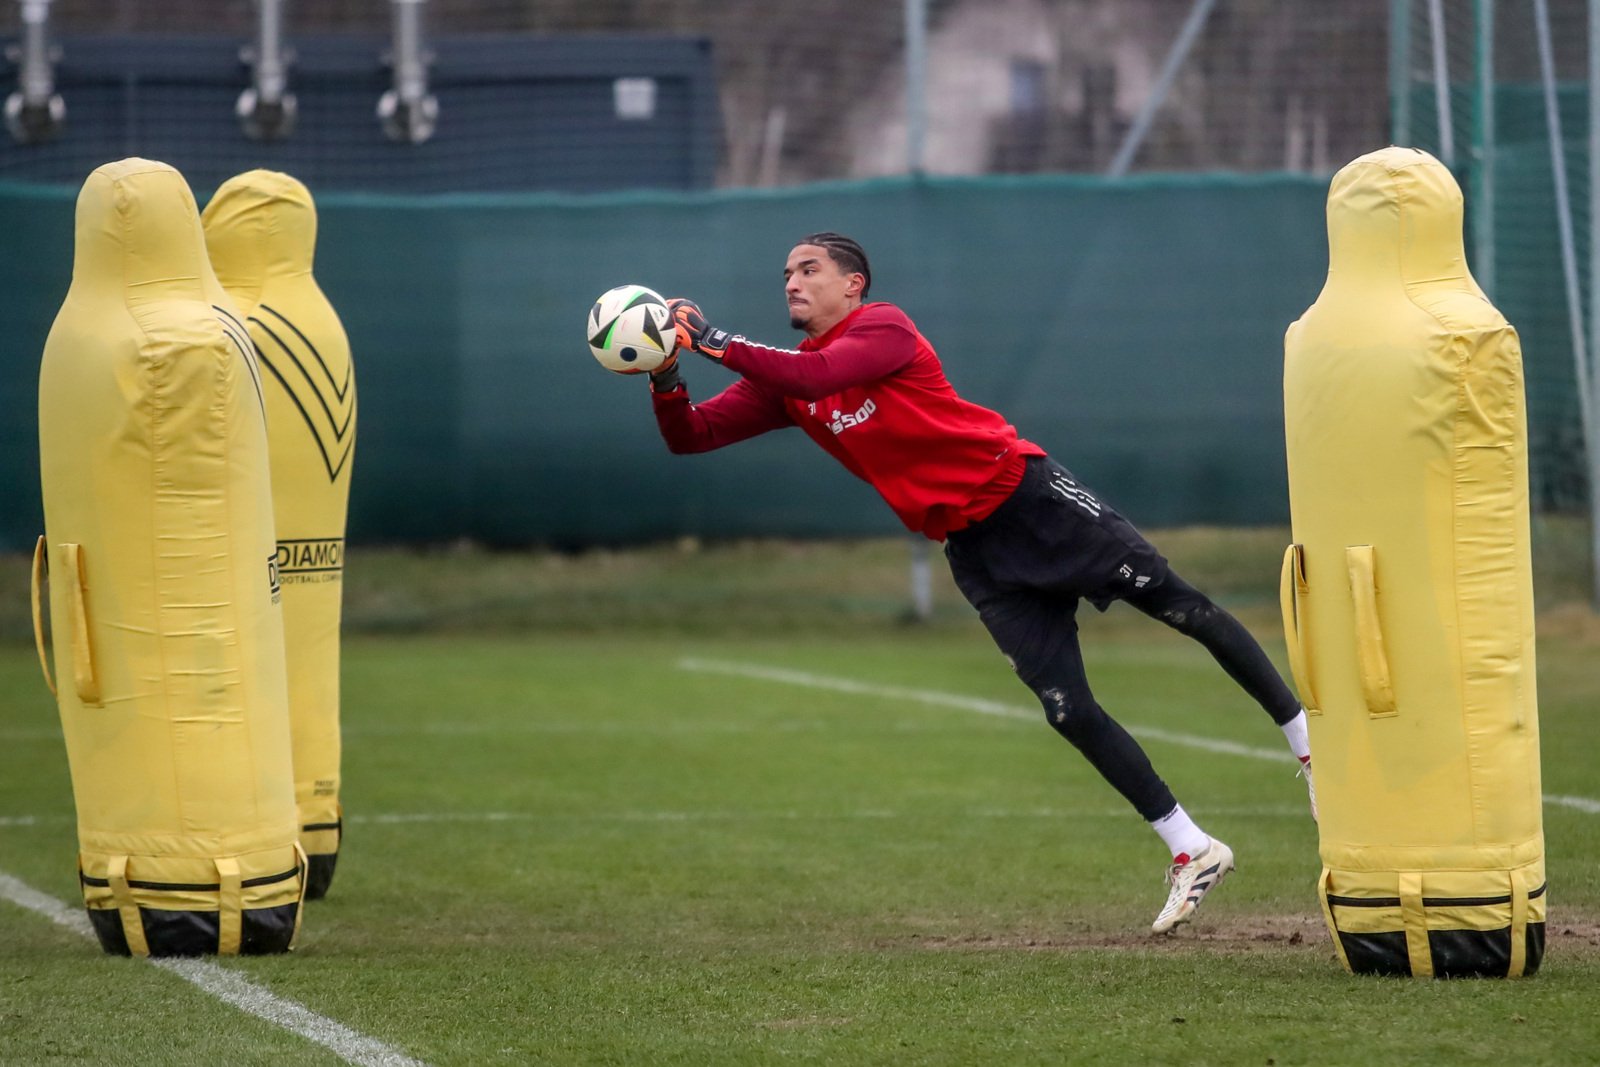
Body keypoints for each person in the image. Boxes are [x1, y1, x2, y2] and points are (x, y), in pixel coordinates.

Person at [642, 232, 1313, 934]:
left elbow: (815, 377)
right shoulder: (787, 382)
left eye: (810, 269)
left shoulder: (883, 328)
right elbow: (691, 435)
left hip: (1029, 498)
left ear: (854, 285)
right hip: (977, 552)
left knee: (1181, 606)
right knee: (1067, 709)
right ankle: (1191, 846)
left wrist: (711, 337)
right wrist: (665, 375)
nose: (792, 282)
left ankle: (1306, 743)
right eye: (785, 272)